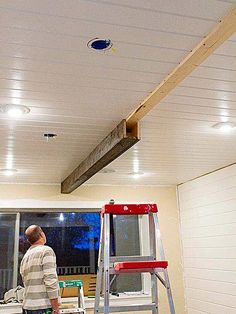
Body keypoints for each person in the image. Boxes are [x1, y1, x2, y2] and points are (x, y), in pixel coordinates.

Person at [20, 225, 60, 314]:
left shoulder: (26, 256)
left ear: (29, 240)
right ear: (42, 234)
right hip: (42, 307)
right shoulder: (46, 251)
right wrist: (55, 308)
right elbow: (50, 280)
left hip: (27, 307)